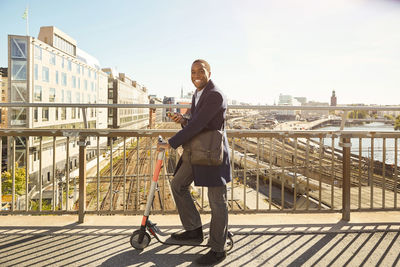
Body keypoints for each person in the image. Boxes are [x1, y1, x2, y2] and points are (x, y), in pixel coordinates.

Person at [158, 59, 231, 265]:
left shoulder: (215, 94)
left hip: (212, 153)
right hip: (197, 150)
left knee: (217, 200)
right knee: (178, 184)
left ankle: (218, 249)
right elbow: (197, 121)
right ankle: (194, 230)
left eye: (201, 71)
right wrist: (183, 121)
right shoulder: (198, 93)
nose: (196, 75)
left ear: (209, 72)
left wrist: (171, 143)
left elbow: (199, 124)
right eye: (192, 72)